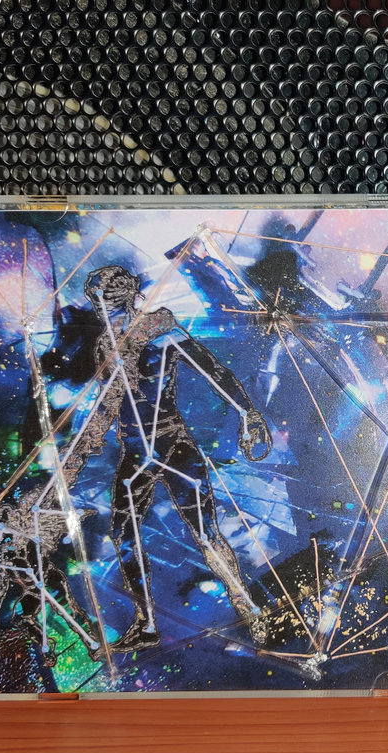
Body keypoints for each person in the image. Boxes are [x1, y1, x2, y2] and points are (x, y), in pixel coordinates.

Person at [81, 265, 273, 651]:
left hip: (172, 442)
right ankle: (147, 623)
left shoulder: (161, 328)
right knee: (122, 534)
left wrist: (246, 411)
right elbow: (109, 402)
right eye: (99, 306)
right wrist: (87, 443)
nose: (103, 312)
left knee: (205, 532)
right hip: (136, 451)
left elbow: (211, 369)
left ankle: (249, 609)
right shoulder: (106, 344)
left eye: (107, 304)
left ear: (125, 298)